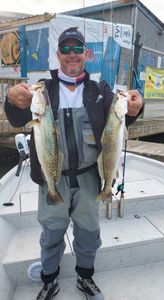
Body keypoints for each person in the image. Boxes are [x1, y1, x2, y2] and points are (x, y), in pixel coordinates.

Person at [5, 27, 143, 300]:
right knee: (52, 233)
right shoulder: (43, 89)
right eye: (66, 49)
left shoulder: (100, 90)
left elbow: (119, 122)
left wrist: (138, 107)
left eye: (77, 49)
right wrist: (10, 100)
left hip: (90, 178)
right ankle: (49, 280)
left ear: (86, 55)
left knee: (89, 233)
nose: (72, 55)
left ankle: (85, 277)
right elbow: (18, 118)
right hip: (52, 178)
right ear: (58, 55)